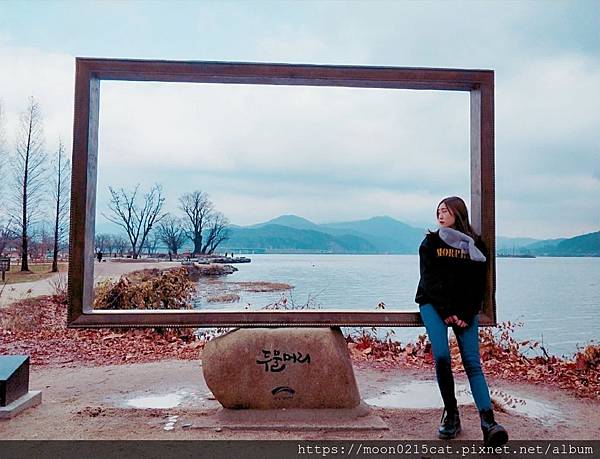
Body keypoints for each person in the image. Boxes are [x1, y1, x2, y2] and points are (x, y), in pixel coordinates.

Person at [415, 196, 508, 446]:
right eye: (438, 212)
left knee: (472, 362)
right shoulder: (431, 242)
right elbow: (429, 280)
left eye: (445, 211)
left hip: (464, 311)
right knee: (442, 356)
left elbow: (478, 286)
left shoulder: (475, 245)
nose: (441, 216)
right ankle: (451, 414)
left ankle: (489, 423)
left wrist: (465, 314)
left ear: (458, 213)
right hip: (433, 305)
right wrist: (446, 311)